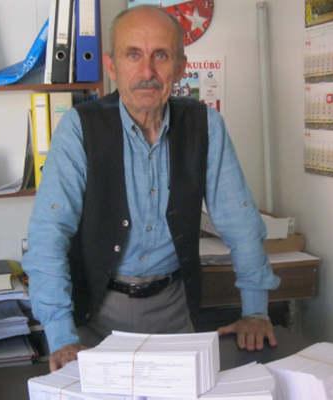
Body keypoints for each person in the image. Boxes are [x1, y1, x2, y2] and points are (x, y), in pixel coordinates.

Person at [22, 5, 280, 372]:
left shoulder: (205, 124)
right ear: (111, 66)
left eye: (161, 56)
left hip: (175, 311)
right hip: (92, 317)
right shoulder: (79, 127)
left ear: (180, 67)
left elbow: (241, 223)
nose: (147, 73)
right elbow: (48, 235)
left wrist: (255, 311)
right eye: (133, 55)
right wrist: (62, 336)